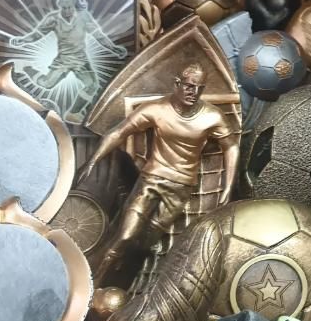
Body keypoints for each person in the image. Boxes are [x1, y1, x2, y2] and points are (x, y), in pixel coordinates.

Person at [79, 62, 239, 284]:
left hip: (181, 189)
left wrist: (228, 186)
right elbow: (120, 132)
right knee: (125, 236)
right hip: (151, 181)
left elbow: (231, 147)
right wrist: (94, 160)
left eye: (199, 88)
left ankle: (122, 280)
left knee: (145, 243)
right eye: (189, 86)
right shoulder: (157, 109)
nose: (194, 92)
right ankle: (92, 282)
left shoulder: (212, 116)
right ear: (177, 84)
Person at [8, 0, 127, 118]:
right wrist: (22, 40)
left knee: (92, 85)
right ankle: (25, 67)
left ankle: (73, 113)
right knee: (46, 84)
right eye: (63, 7)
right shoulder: (53, 18)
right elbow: (37, 35)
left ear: (75, 4)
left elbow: (98, 35)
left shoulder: (83, 17)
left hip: (81, 60)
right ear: (59, 4)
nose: (66, 10)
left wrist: (113, 48)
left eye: (69, 7)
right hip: (63, 60)